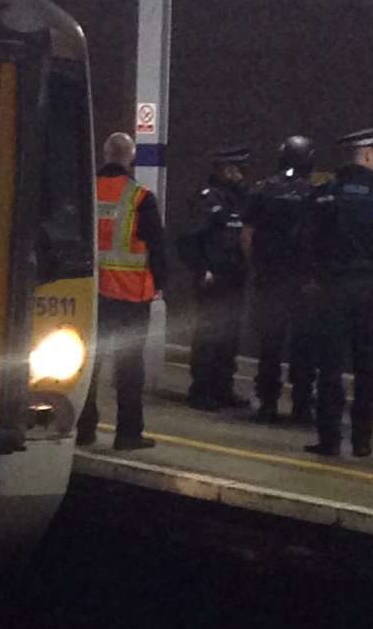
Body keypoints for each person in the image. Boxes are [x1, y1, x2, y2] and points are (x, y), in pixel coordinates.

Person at [301, 128, 373, 457]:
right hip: (371, 290)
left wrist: (314, 277)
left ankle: (329, 439)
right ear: (365, 155)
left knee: (330, 367)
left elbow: (306, 241)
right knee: (368, 367)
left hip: (333, 288)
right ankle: (363, 441)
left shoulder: (324, 194)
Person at [76, 132, 168, 450]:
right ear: (130, 157)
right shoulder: (140, 198)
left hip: (91, 296)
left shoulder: (85, 193)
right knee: (129, 368)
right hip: (131, 298)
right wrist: (160, 286)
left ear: (105, 153)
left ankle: (83, 428)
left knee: (88, 364)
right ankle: (128, 434)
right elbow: (158, 248)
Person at [241, 136, 318, 424]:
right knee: (303, 345)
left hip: (270, 277)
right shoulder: (314, 193)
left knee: (270, 344)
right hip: (303, 281)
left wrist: (258, 267)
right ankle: (301, 404)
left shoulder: (262, 190)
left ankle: (267, 403)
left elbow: (247, 235)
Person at [180, 145, 251, 411]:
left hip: (235, 276)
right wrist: (202, 269)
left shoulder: (242, 199)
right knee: (209, 334)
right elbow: (190, 239)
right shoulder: (207, 199)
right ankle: (201, 389)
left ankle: (223, 387)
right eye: (231, 168)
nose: (236, 174)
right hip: (213, 278)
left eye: (238, 169)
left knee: (230, 335)